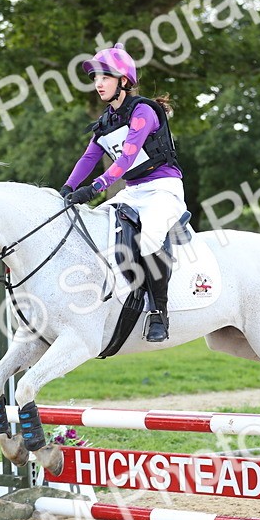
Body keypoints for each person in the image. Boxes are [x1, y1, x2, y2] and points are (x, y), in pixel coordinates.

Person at [62, 43, 184, 342]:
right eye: (95, 78)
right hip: (133, 191)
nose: (98, 83)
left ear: (124, 81)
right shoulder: (107, 120)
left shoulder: (143, 111)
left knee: (151, 237)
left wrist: (96, 188)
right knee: (93, 225)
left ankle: (159, 314)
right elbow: (88, 158)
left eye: (105, 77)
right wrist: (66, 189)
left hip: (163, 189)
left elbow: (126, 158)